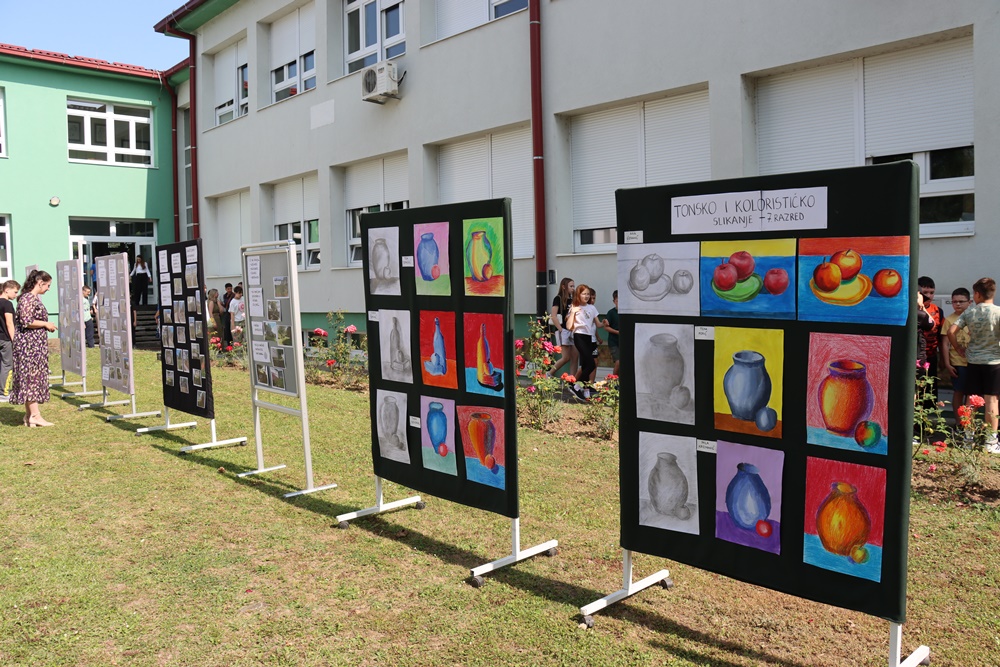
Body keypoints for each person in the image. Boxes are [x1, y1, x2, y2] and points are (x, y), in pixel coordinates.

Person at [947, 277, 1000, 452]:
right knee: (991, 400)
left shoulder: (970, 313)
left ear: (977, 294)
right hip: (994, 362)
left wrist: (958, 348)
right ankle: (991, 442)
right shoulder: (998, 312)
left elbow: (951, 331)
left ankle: (968, 438)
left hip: (973, 361)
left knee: (971, 400)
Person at [10, 270, 58, 426]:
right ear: (40, 283)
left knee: (31, 377)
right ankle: (35, 416)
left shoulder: (31, 298)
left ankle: (29, 415)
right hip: (29, 346)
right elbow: (26, 320)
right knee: (32, 377)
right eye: (48, 285)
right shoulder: (27, 298)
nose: (48, 289)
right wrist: (45, 324)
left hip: (34, 345)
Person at [565, 284, 602, 400]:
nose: (586, 296)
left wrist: (604, 323)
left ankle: (585, 389)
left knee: (586, 364)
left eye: (588, 294)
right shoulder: (574, 307)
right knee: (591, 364)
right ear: (578, 295)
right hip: (579, 336)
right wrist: (573, 312)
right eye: (584, 294)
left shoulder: (592, 308)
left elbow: (598, 324)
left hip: (589, 337)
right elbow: (569, 326)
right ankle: (575, 385)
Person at [941, 287, 971, 411]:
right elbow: (945, 343)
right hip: (957, 362)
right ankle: (959, 420)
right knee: (959, 391)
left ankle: (968, 421)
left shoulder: (974, 317)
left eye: (961, 301)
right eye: (954, 301)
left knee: (972, 393)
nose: (958, 304)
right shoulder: (949, 320)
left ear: (969, 302)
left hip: (973, 361)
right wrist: (947, 364)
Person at [918, 276, 943, 401]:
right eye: (925, 292)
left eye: (931, 292)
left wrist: (942, 358)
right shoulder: (913, 309)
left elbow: (941, 336)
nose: (929, 295)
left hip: (931, 355)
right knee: (917, 388)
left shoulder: (938, 311)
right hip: (917, 357)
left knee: (931, 388)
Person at [549, 278, 578, 378]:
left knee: (575, 356)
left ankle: (572, 379)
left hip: (573, 330)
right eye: (571, 286)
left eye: (574, 286)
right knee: (566, 357)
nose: (573, 288)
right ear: (564, 287)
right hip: (563, 330)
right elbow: (553, 316)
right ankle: (549, 373)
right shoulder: (558, 298)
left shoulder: (573, 299)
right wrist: (561, 330)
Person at [0, 279, 19, 401]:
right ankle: (4, 392)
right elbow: (9, 323)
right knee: (7, 365)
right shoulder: (7, 304)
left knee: (1, 364)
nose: (16, 295)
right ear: (7, 290)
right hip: (5, 339)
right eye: (15, 292)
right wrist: (14, 340)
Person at [602, 290, 620, 377]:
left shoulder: (626, 313)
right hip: (614, 342)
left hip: (624, 342)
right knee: (618, 362)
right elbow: (606, 327)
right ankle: (614, 380)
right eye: (617, 301)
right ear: (614, 301)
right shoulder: (611, 313)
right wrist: (617, 332)